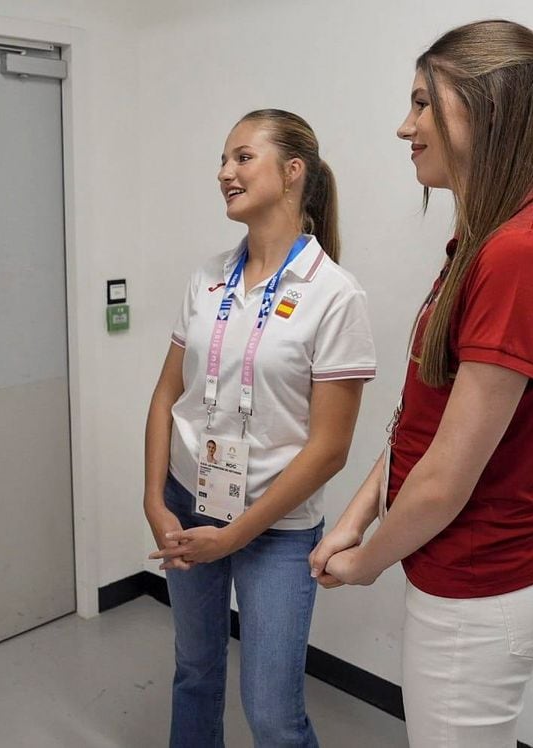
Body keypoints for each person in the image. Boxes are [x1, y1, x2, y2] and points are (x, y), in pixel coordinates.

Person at [308, 20, 533, 747]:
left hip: (483, 586)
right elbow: (426, 422)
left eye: (421, 104)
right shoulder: (495, 238)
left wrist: (365, 563)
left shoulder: (523, 252)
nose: (404, 127)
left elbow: (445, 478)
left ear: (488, 109)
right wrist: (358, 514)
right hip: (477, 574)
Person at [146, 109, 377, 747]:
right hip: (186, 504)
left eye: (242, 157)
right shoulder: (207, 277)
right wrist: (152, 499)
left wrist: (237, 533)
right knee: (194, 670)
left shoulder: (335, 295)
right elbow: (169, 392)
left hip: (275, 529)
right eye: (223, 160)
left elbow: (331, 448)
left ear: (293, 171)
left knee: (272, 713)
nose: (225, 172)